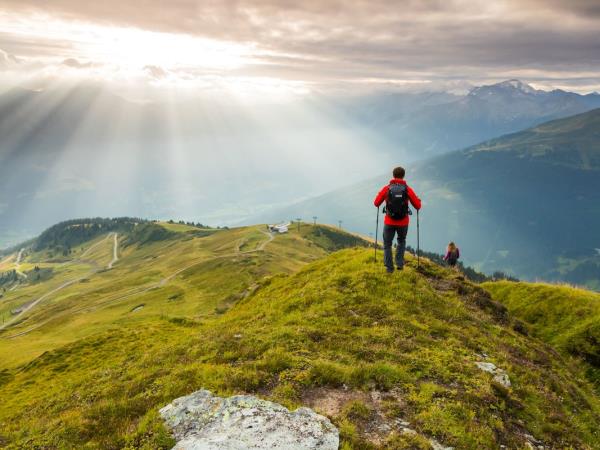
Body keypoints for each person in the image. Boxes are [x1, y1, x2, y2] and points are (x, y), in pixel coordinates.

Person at [373, 166, 422, 273]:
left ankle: (389, 268)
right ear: (403, 176)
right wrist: (418, 199)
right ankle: (399, 264)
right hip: (403, 222)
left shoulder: (387, 188)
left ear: (393, 175)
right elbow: (418, 206)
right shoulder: (407, 189)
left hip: (389, 221)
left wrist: (381, 196)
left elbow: (376, 203)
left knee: (387, 244)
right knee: (401, 241)